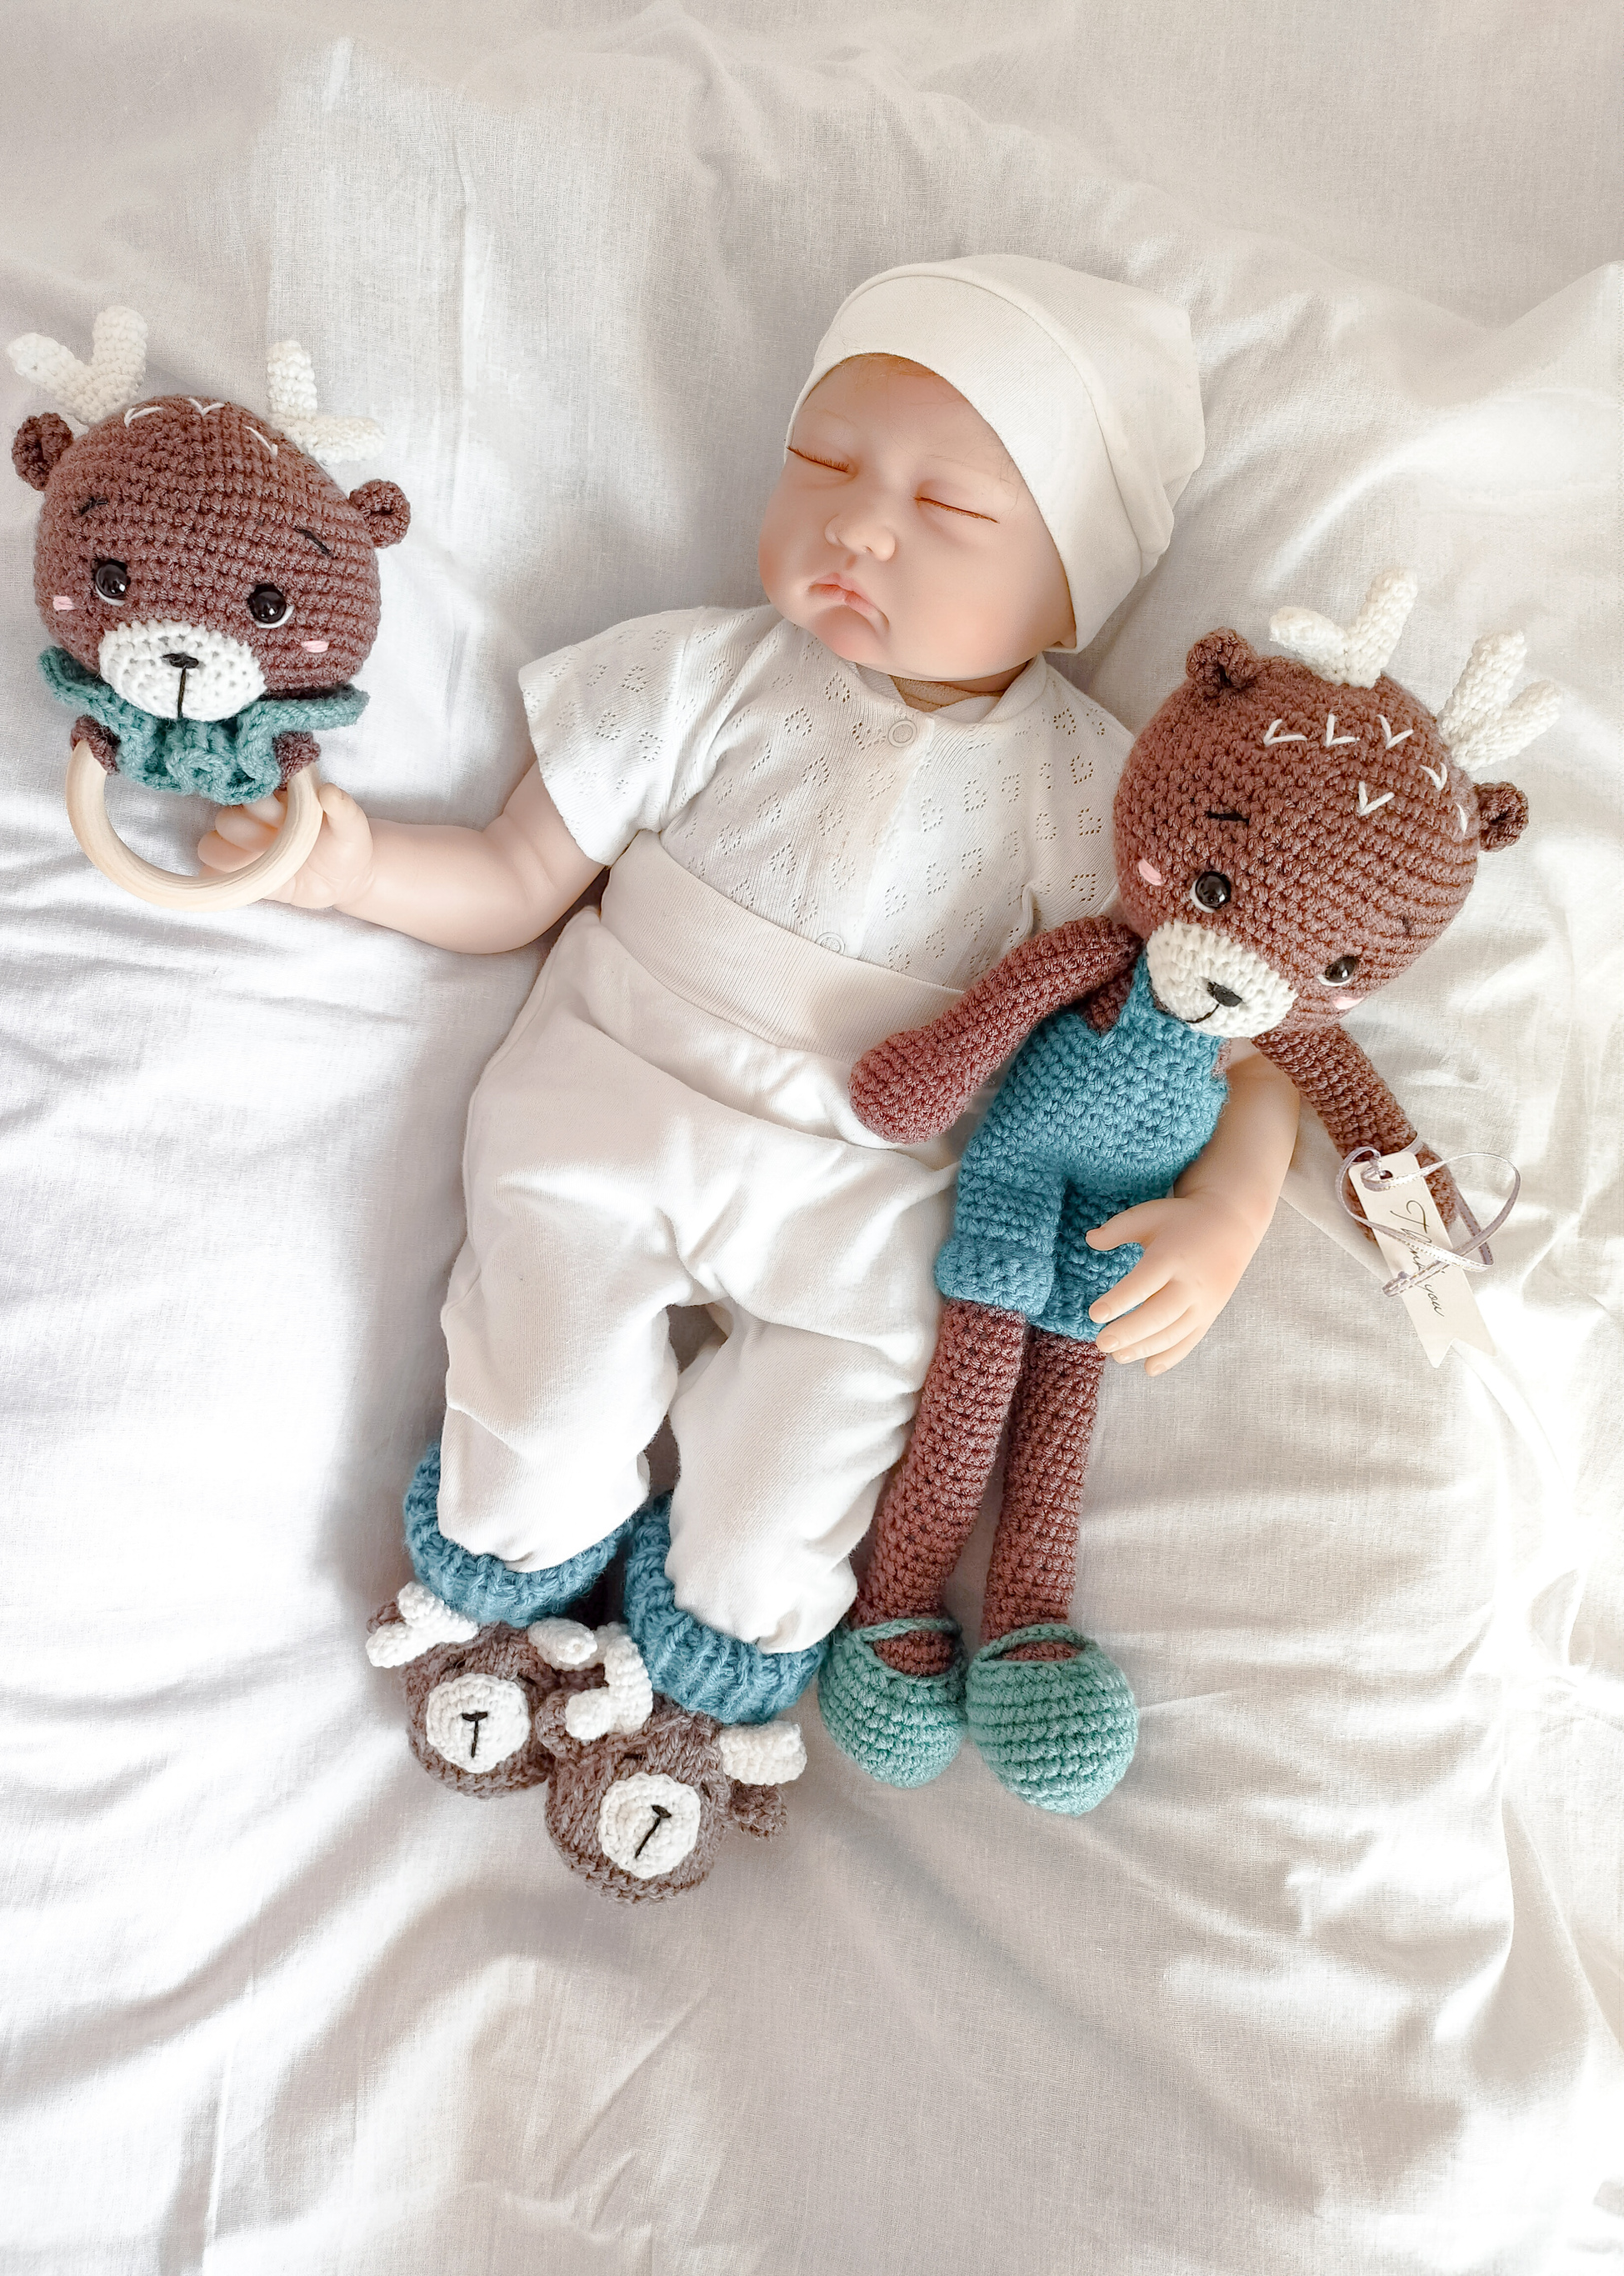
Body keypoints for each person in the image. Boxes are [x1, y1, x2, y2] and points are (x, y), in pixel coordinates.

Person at [201, 256, 1300, 1723]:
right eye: (824, 464)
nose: (859, 524)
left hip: (875, 1194)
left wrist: (1230, 1210)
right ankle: (506, 1586)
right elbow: (515, 879)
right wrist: (349, 867)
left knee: (783, 1511)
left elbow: (1236, 1045)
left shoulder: (1100, 795)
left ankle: (711, 1678)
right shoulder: (695, 679)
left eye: (950, 509)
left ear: (1068, 598)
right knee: (536, 1415)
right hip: (610, 1109)